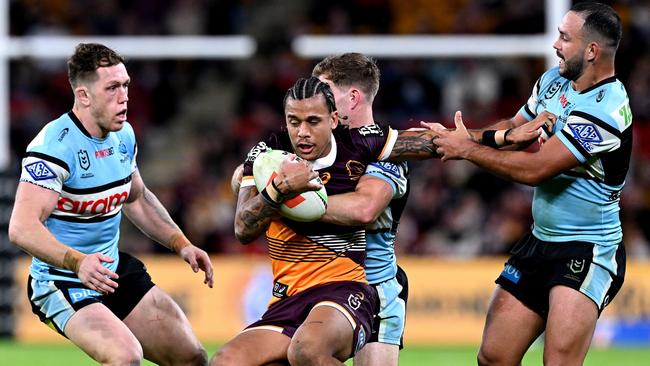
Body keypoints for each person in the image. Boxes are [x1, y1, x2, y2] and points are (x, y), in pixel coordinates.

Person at [426, 3, 631, 365]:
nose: (555, 45)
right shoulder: (553, 80)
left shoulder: (607, 108)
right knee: (493, 357)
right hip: (540, 241)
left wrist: (467, 151)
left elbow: (536, 169)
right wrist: (463, 136)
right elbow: (514, 129)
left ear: (592, 50)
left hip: (586, 250)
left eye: (564, 38)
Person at [8, 43, 214, 366]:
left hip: (110, 270)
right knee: (124, 357)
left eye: (126, 85)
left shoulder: (124, 136)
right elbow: (21, 228)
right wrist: (78, 262)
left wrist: (182, 243)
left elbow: (138, 199)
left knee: (192, 357)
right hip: (61, 280)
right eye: (113, 87)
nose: (125, 96)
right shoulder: (53, 147)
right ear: (84, 96)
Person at [212, 77, 441, 365]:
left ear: (334, 119)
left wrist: (488, 139)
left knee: (306, 350)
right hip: (288, 298)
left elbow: (424, 144)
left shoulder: (358, 145)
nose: (302, 132)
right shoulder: (267, 155)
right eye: (294, 122)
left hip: (345, 289)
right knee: (225, 360)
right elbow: (242, 230)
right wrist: (279, 189)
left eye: (313, 121)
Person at [312, 53, 409, 366]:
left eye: (325, 93)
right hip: (314, 283)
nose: (316, 102)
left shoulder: (386, 150)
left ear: (352, 97)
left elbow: (364, 209)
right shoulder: (316, 144)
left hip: (373, 289)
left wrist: (288, 203)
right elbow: (244, 176)